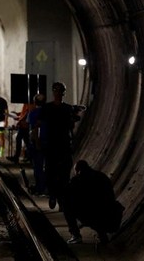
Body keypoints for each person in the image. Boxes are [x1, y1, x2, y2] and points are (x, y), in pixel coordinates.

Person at [39, 81, 81, 211]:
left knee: (63, 173)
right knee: (52, 171)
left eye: (59, 91)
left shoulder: (62, 108)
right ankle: (53, 195)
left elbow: (71, 125)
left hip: (61, 144)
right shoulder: (52, 108)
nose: (58, 94)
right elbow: (41, 125)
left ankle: (60, 199)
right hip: (53, 144)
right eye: (57, 91)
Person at [64, 160, 123, 245]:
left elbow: (69, 197)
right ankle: (101, 233)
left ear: (78, 171)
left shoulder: (77, 180)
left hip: (92, 215)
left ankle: (75, 235)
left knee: (66, 204)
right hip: (111, 216)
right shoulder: (102, 176)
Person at [27, 93, 47, 195]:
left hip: (37, 142)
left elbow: (34, 129)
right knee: (48, 166)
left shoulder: (33, 113)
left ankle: (40, 187)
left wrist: (36, 143)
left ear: (35, 102)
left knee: (38, 166)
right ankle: (48, 187)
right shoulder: (49, 112)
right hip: (50, 142)